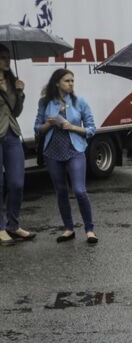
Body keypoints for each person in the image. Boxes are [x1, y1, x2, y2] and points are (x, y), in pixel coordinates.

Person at [34, 68, 98, 244]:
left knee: (79, 190)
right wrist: (49, 123)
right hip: (52, 152)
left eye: (72, 81)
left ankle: (89, 230)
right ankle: (68, 228)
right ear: (57, 83)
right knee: (61, 191)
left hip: (74, 151)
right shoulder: (45, 102)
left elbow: (92, 129)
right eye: (67, 81)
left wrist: (72, 127)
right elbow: (37, 129)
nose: (71, 84)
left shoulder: (80, 102)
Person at [0, 44, 35, 246]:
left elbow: (17, 111)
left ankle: (13, 224)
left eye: (8, 57)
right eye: (3, 57)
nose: (7, 61)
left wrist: (20, 93)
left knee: (16, 183)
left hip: (12, 133)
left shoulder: (13, 82)